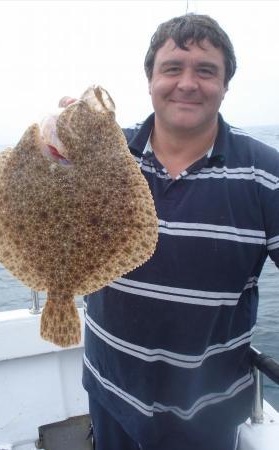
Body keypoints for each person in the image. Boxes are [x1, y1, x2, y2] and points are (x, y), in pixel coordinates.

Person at [62, 14, 279, 450]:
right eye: (172, 68)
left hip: (207, 412)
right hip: (109, 391)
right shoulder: (104, 153)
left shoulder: (266, 175)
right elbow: (51, 180)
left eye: (205, 70)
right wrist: (62, 139)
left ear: (225, 84)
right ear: (150, 79)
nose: (187, 83)